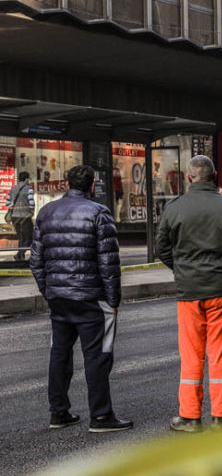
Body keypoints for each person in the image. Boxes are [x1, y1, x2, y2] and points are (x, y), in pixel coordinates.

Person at [157, 156, 222, 433]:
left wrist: (182, 270)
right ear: (215, 176)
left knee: (191, 354)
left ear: (189, 178)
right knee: (219, 353)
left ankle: (189, 417)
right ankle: (221, 416)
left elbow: (161, 248)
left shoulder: (173, 208)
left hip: (188, 291)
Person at [29, 165, 131, 432]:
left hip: (58, 297)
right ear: (92, 185)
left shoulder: (46, 212)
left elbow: (36, 260)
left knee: (59, 354)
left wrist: (48, 290)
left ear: (67, 183)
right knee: (97, 356)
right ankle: (100, 416)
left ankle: (58, 412)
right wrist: (113, 300)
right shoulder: (99, 213)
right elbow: (109, 263)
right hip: (90, 297)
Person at [6, 172, 36, 260]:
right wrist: (32, 211)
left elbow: (8, 203)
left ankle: (20, 255)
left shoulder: (13, 188)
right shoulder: (28, 188)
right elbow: (31, 203)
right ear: (26, 179)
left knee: (21, 237)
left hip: (15, 217)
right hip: (25, 216)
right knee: (29, 237)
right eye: (28, 179)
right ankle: (20, 253)